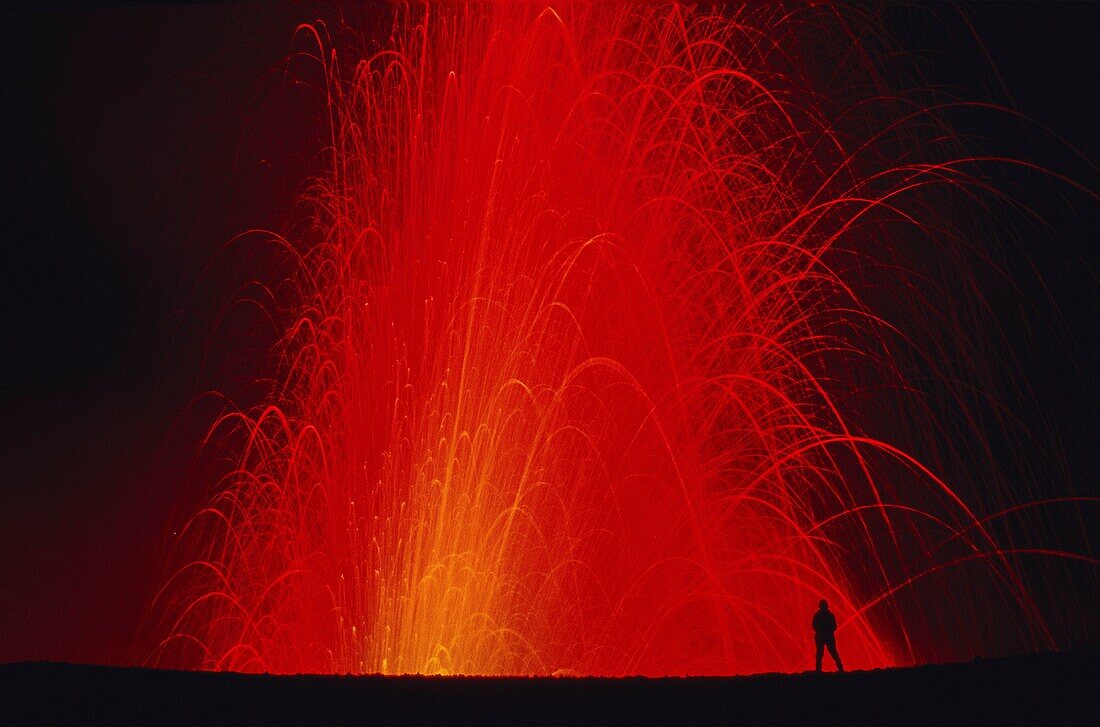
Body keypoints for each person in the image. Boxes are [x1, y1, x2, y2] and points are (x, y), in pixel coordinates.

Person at [812, 599, 843, 672]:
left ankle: (818, 671)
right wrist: (827, 631)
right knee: (831, 653)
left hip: (823, 637)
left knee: (822, 654)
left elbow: (813, 625)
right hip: (827, 637)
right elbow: (834, 627)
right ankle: (841, 670)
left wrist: (820, 631)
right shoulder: (830, 615)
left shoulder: (818, 615)